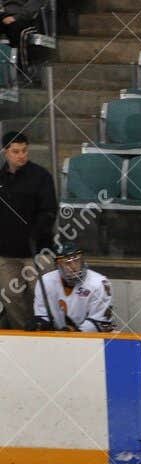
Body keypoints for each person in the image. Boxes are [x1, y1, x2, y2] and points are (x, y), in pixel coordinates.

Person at [0, 132, 55, 330]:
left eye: (24, 151)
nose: (21, 155)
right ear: (5, 152)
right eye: (16, 151)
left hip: (37, 251)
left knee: (41, 294)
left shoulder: (41, 176)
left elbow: (49, 210)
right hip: (7, 253)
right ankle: (22, 333)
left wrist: (36, 232)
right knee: (11, 295)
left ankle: (46, 332)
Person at [30, 242, 115, 333]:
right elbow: (43, 315)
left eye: (76, 261)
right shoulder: (45, 282)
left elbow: (100, 322)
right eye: (67, 263)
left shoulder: (99, 283)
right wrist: (41, 324)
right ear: (58, 265)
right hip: (60, 338)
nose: (73, 267)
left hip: (96, 340)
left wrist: (73, 332)